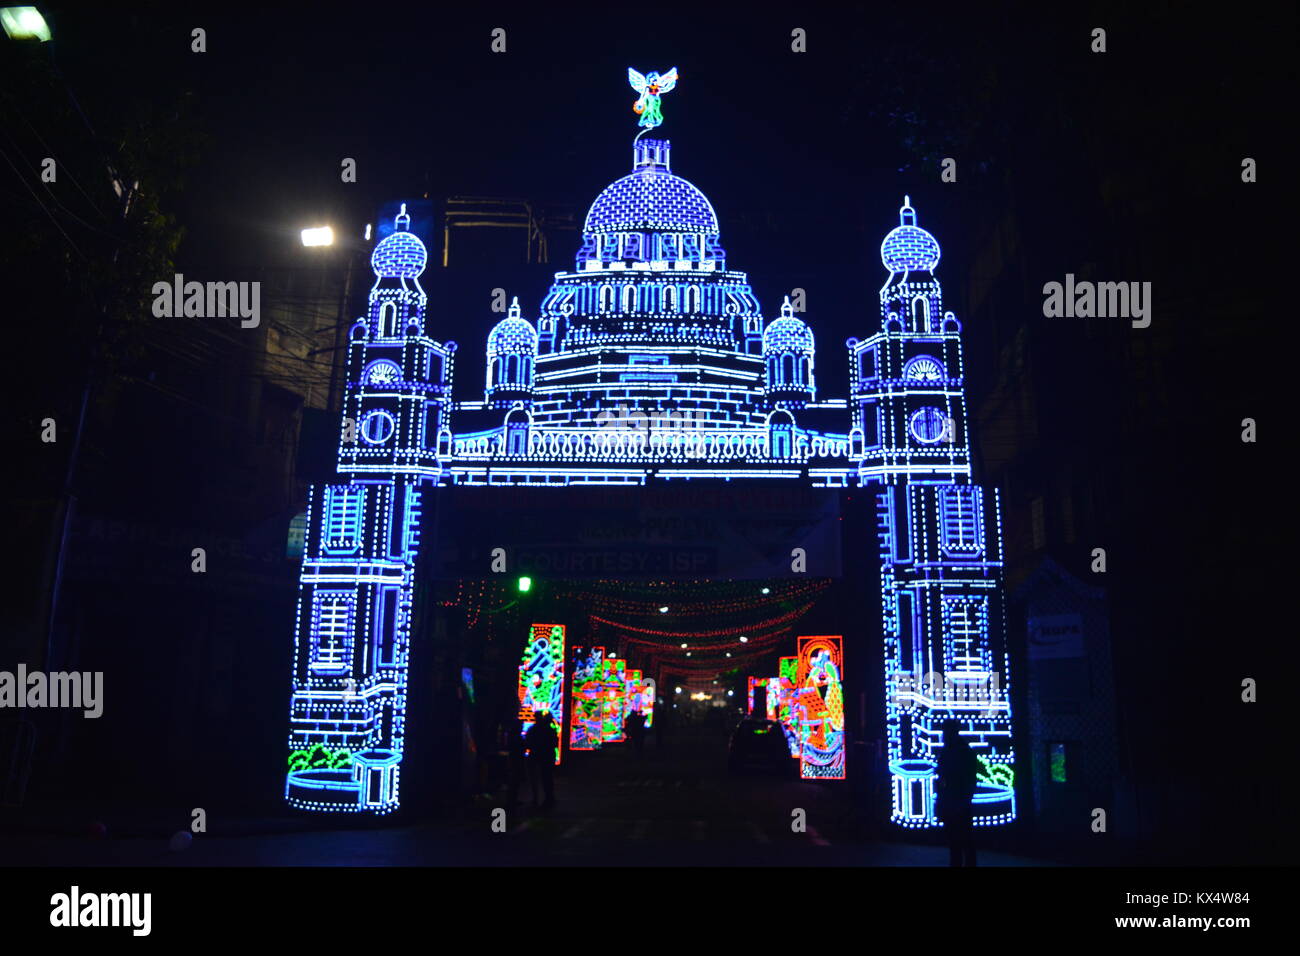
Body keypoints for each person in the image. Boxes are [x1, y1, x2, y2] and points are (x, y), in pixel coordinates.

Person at [935, 718, 979, 866]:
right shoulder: (965, 750)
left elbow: (944, 776)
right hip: (959, 799)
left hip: (954, 799)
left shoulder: (950, 751)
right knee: (964, 839)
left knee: (957, 839)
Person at [523, 712, 558, 809]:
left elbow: (527, 743)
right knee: (547, 778)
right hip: (547, 756)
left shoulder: (532, 729)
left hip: (535, 756)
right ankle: (548, 797)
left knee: (535, 778)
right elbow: (554, 743)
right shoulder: (549, 730)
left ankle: (536, 799)